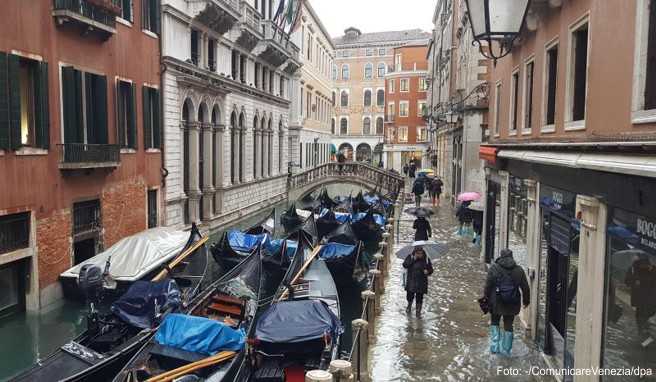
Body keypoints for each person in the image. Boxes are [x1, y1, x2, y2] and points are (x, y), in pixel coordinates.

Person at [483, 249, 530, 356]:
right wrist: (526, 301)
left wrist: (486, 298)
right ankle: (506, 350)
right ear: (512, 257)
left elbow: (487, 286)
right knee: (509, 324)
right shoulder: (519, 270)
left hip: (496, 302)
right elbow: (525, 288)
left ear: (501, 256)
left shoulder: (494, 268)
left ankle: (494, 349)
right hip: (512, 303)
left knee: (495, 322)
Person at [625, 254, 656, 345]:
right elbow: (627, 281)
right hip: (641, 300)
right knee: (640, 318)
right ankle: (644, 339)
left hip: (648, 301)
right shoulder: (633, 269)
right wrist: (635, 281)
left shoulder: (652, 270)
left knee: (642, 318)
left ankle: (646, 340)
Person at [403, 247, 434, 317]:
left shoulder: (426, 259)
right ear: (415, 253)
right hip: (411, 281)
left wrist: (428, 272)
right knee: (410, 295)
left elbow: (431, 270)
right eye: (418, 253)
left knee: (420, 297)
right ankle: (409, 306)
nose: (419, 255)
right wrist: (414, 259)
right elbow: (405, 265)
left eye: (421, 253)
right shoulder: (410, 257)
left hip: (421, 282)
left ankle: (418, 311)